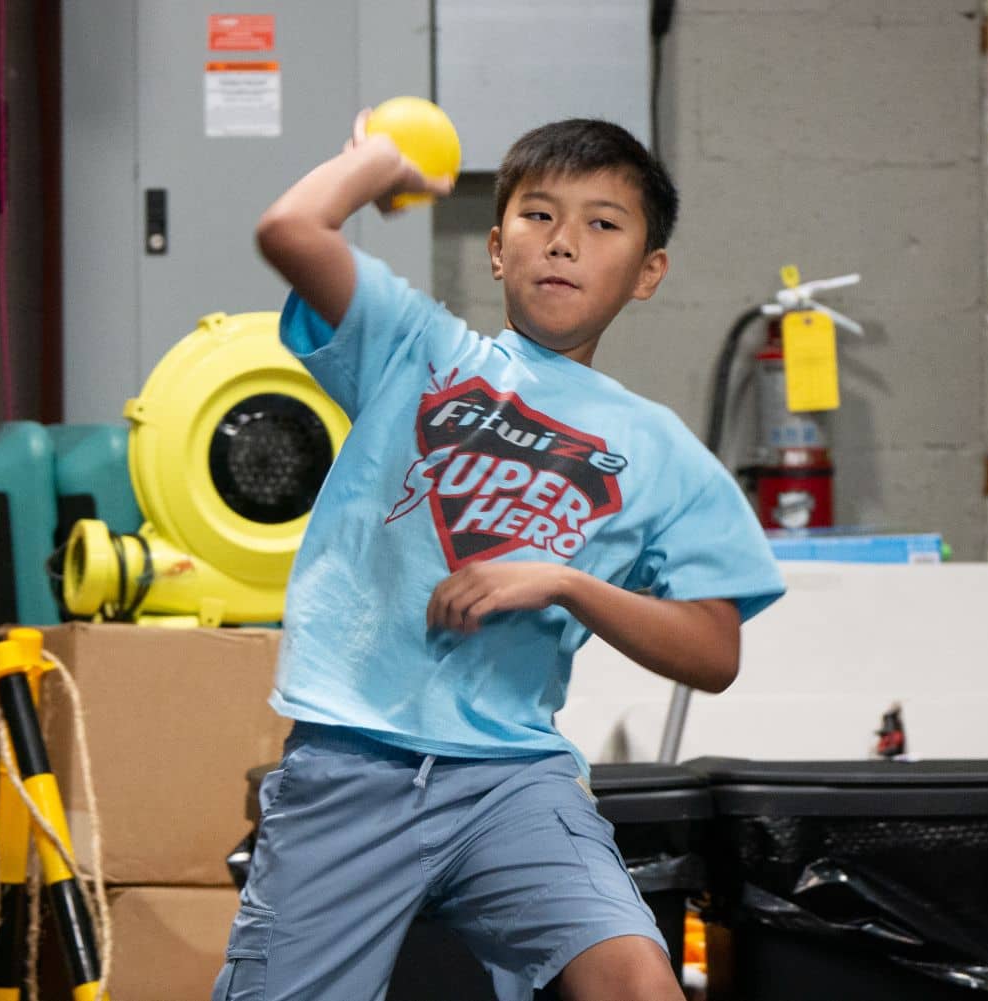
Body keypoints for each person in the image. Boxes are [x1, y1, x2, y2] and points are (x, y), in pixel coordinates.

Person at [214, 112, 785, 1001]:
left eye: (603, 224)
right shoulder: (417, 348)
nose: (564, 243)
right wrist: (372, 164)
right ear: (495, 248)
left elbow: (714, 653)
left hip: (514, 781)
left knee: (637, 979)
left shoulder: (663, 450)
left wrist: (564, 582)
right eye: (538, 216)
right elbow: (290, 229)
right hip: (349, 767)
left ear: (648, 272)